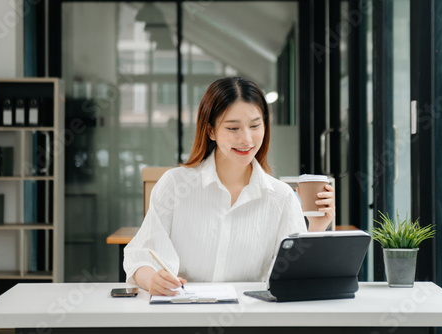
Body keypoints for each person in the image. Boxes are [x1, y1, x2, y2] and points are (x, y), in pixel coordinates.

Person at [123, 77, 335, 296]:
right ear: (211, 131)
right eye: (233, 127)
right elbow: (139, 255)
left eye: (255, 125)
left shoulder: (281, 197)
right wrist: (151, 280)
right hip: (184, 313)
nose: (246, 139)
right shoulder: (176, 184)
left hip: (249, 319)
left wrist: (317, 228)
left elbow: (292, 276)